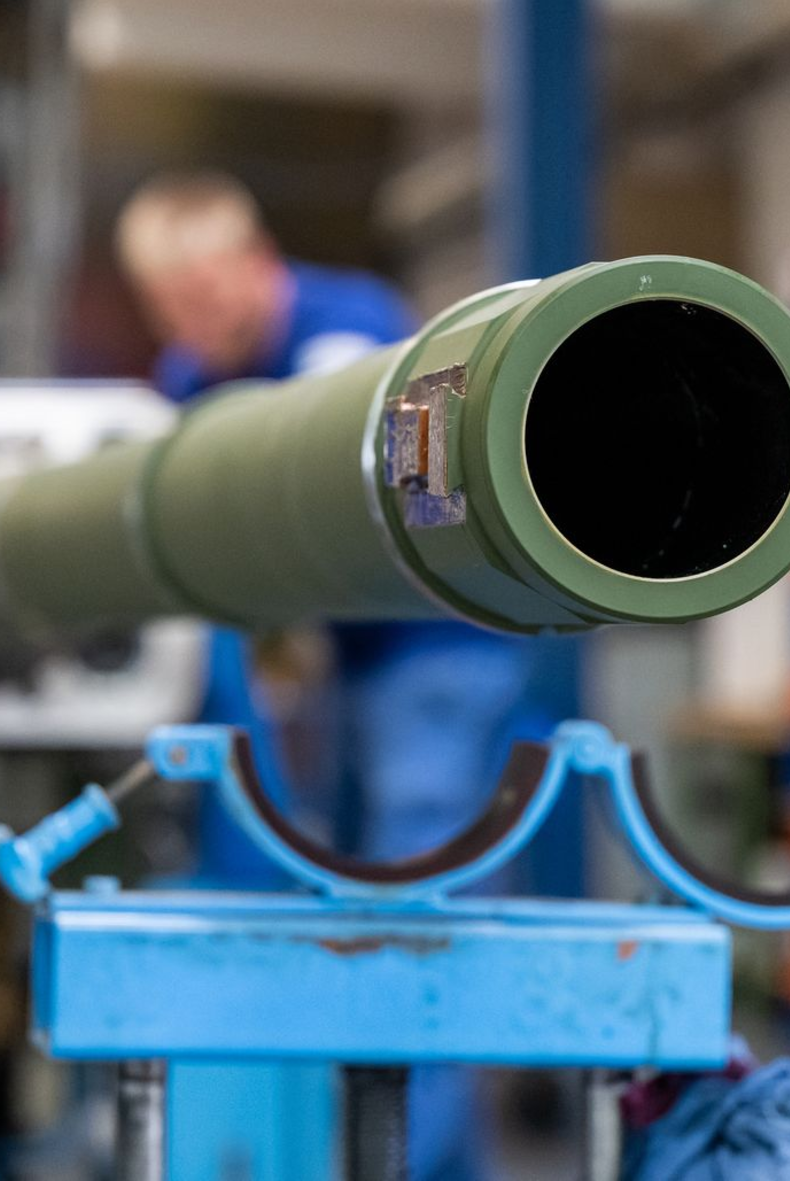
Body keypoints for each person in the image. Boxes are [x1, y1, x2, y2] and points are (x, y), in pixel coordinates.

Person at [116, 171, 549, 1180]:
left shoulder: (350, 334)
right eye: (169, 306)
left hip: (441, 652)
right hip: (348, 669)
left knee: (417, 897)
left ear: (252, 260)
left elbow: (398, 491)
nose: (194, 321)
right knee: (356, 895)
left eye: (205, 292)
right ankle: (417, 1155)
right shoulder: (196, 376)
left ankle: (395, 1160)